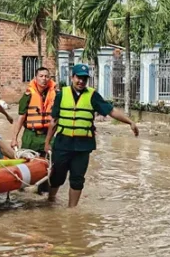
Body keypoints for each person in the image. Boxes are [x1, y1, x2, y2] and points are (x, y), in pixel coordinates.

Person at [44, 64, 139, 208]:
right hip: (62, 143)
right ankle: (51, 199)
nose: (81, 81)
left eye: (84, 78)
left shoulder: (93, 95)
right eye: (78, 78)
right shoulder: (61, 95)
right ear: (72, 78)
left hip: (83, 145)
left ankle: (71, 211)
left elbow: (111, 111)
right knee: (57, 176)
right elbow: (54, 121)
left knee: (77, 178)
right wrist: (47, 143)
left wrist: (130, 122)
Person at [11, 66, 56, 193]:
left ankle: (43, 194)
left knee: (48, 166)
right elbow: (21, 117)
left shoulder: (55, 94)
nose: (44, 79)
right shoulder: (28, 94)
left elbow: (57, 118)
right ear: (35, 78)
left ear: (50, 78)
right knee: (26, 166)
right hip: (30, 135)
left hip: (47, 136)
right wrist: (14, 138)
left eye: (47, 76)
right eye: (41, 76)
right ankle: (22, 194)